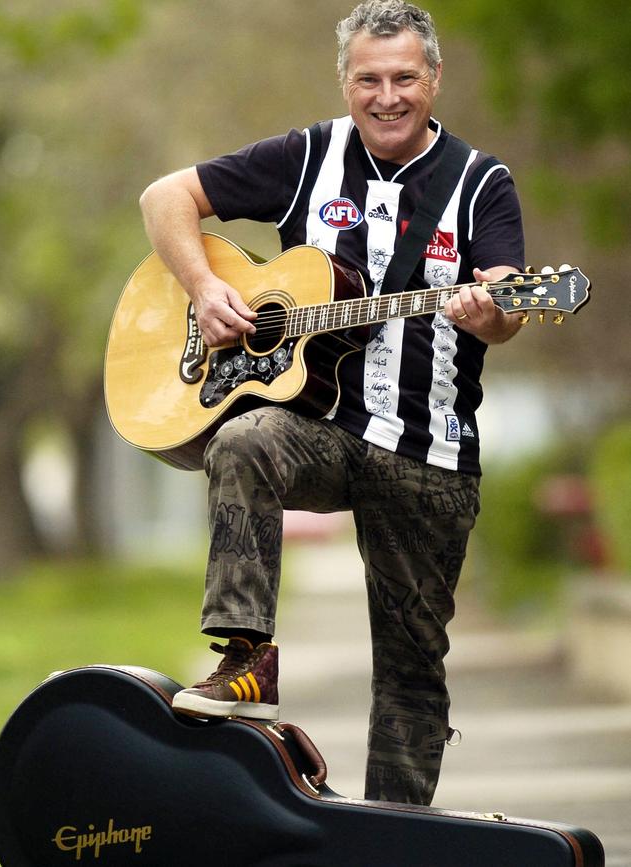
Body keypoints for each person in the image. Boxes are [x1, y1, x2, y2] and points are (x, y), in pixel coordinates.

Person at [139, 0, 525, 806]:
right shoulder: (305, 155)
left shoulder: (482, 182)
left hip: (430, 452)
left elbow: (507, 304)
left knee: (412, 670)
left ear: (435, 78)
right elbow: (163, 199)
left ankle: (395, 834)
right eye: (369, 79)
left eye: (405, 78)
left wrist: (496, 312)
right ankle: (247, 658)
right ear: (345, 82)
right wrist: (208, 288)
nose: (388, 96)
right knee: (243, 437)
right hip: (320, 429)